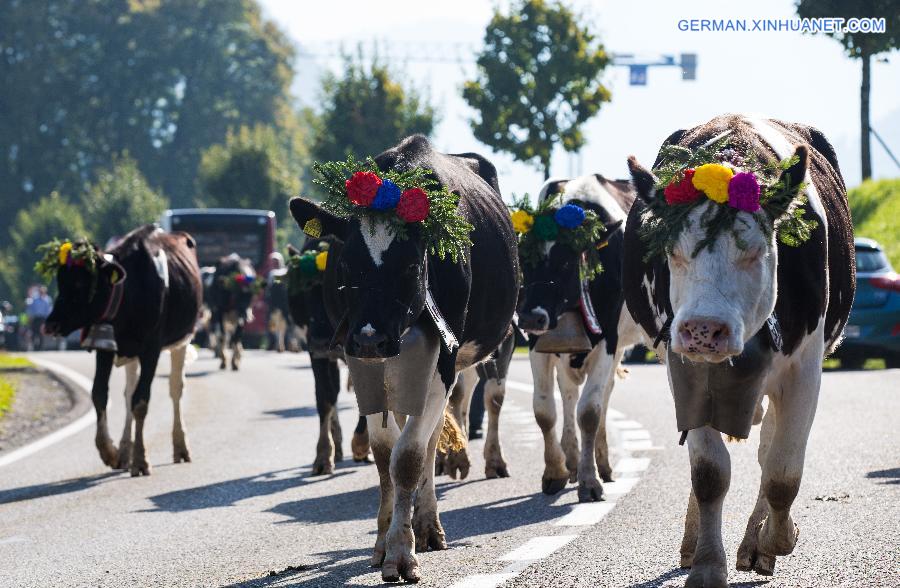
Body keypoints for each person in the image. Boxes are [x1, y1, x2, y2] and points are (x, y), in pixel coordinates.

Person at [25, 285, 52, 350]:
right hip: (36, 318)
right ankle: (34, 346)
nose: (42, 292)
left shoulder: (47, 300)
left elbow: (48, 310)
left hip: (43, 318)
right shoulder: (35, 299)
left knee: (42, 333)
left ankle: (41, 347)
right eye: (41, 291)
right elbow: (31, 309)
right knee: (34, 332)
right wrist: (30, 317)